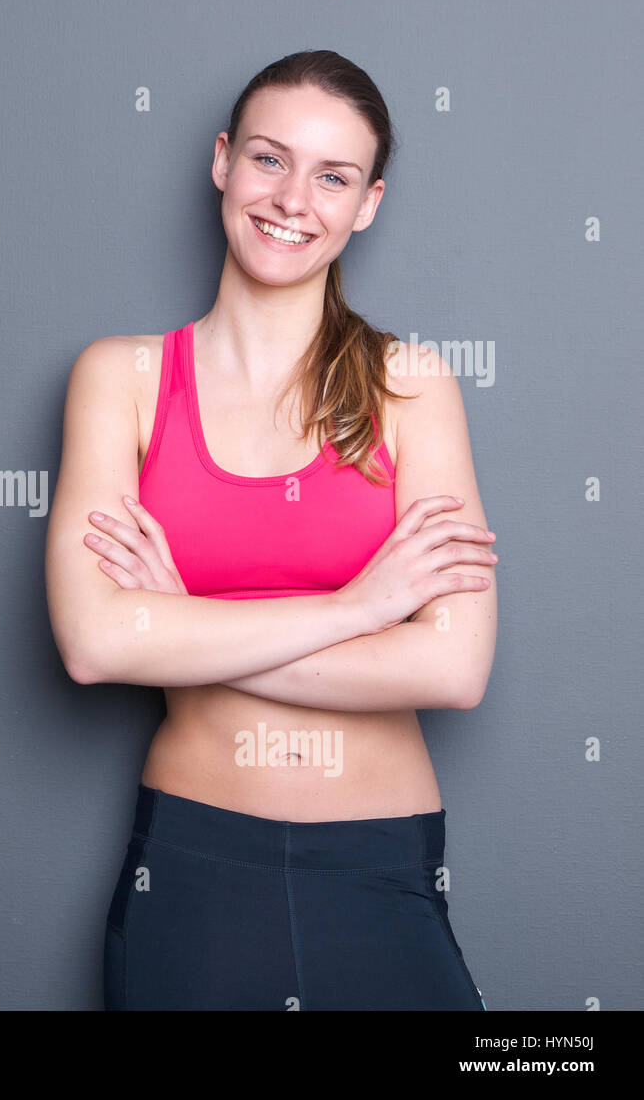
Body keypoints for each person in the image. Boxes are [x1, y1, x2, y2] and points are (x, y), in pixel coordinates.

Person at [44, 50, 498, 1010]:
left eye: (333, 176)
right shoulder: (118, 377)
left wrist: (178, 628)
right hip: (194, 865)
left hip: (381, 863)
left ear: (367, 203)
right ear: (222, 161)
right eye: (269, 159)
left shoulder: (412, 384)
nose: (293, 198)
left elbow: (452, 670)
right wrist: (360, 608)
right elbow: (92, 643)